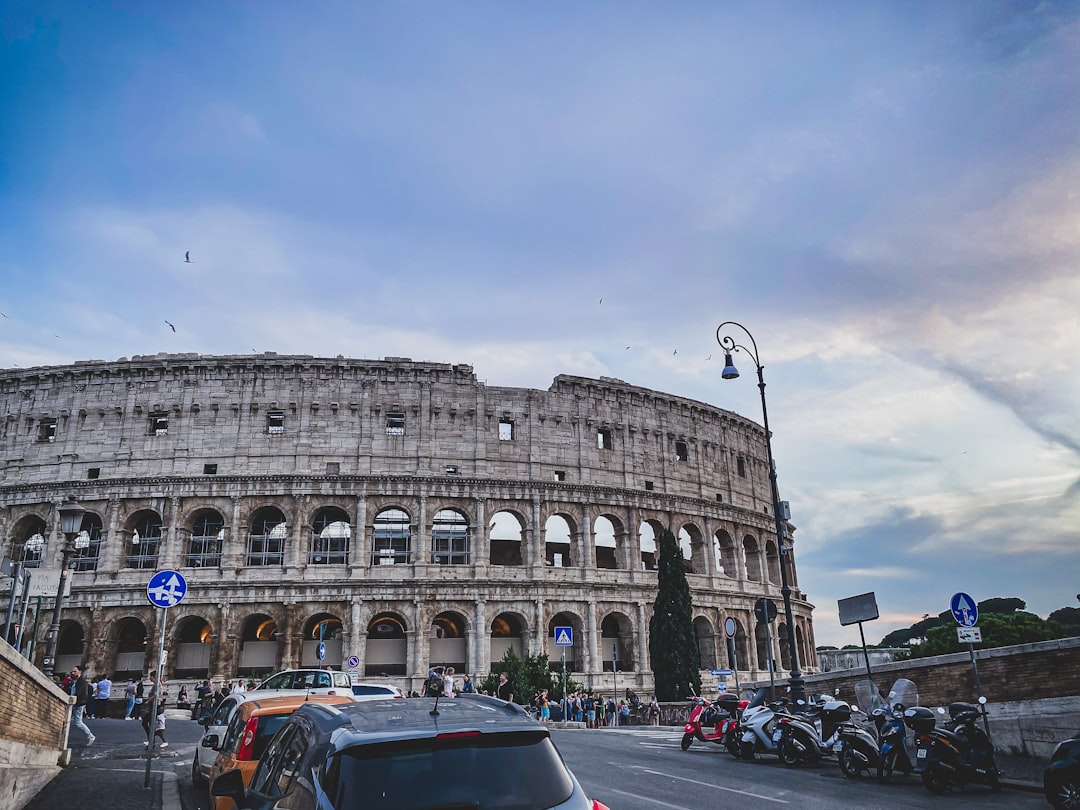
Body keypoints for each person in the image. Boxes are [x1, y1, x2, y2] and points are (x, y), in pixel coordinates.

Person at [68, 666, 95, 746]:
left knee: (78, 722)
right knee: (72, 720)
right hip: (76, 703)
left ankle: (90, 736)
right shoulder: (76, 681)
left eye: (75, 671)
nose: (73, 673)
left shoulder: (81, 681)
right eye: (72, 671)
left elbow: (78, 693)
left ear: (80, 671)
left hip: (78, 703)